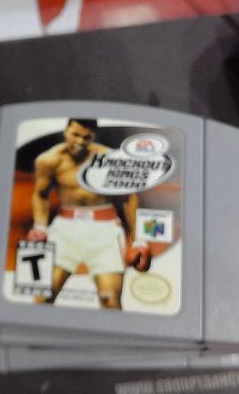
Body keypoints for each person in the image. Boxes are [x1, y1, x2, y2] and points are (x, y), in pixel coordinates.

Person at [27, 119, 150, 309]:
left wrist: (139, 239)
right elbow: (40, 194)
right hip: (65, 230)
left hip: (104, 231)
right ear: (65, 131)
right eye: (75, 135)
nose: (80, 141)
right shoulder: (48, 160)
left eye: (86, 137)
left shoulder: (108, 158)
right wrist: (40, 225)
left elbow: (129, 197)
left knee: (110, 301)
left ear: (93, 136)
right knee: (42, 297)